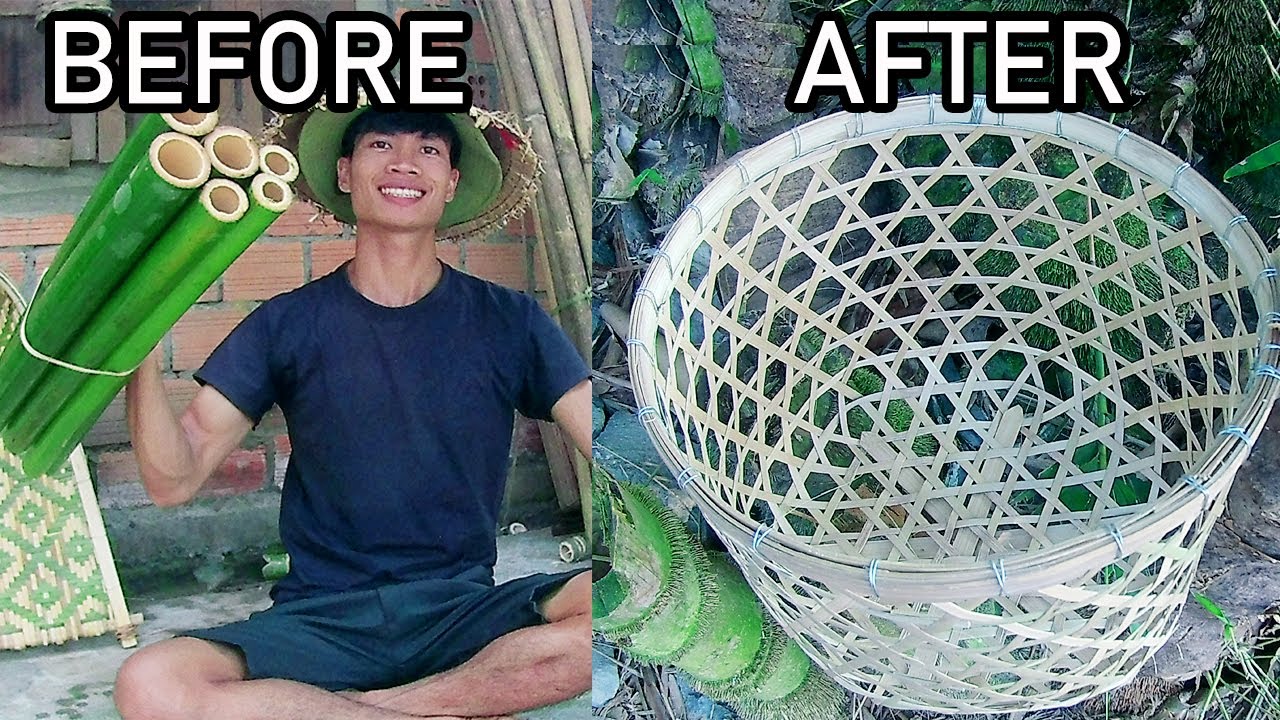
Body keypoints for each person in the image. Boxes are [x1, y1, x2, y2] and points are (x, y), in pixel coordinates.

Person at [112, 105, 592, 720]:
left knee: (614, 609)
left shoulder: (510, 320)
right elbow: (172, 478)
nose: (403, 164)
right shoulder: (286, 324)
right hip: (320, 620)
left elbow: (600, 441)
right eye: (381, 144)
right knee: (150, 683)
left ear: (449, 184)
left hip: (458, 612)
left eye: (429, 150)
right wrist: (139, 356)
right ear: (344, 172)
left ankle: (362, 710)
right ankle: (446, 706)